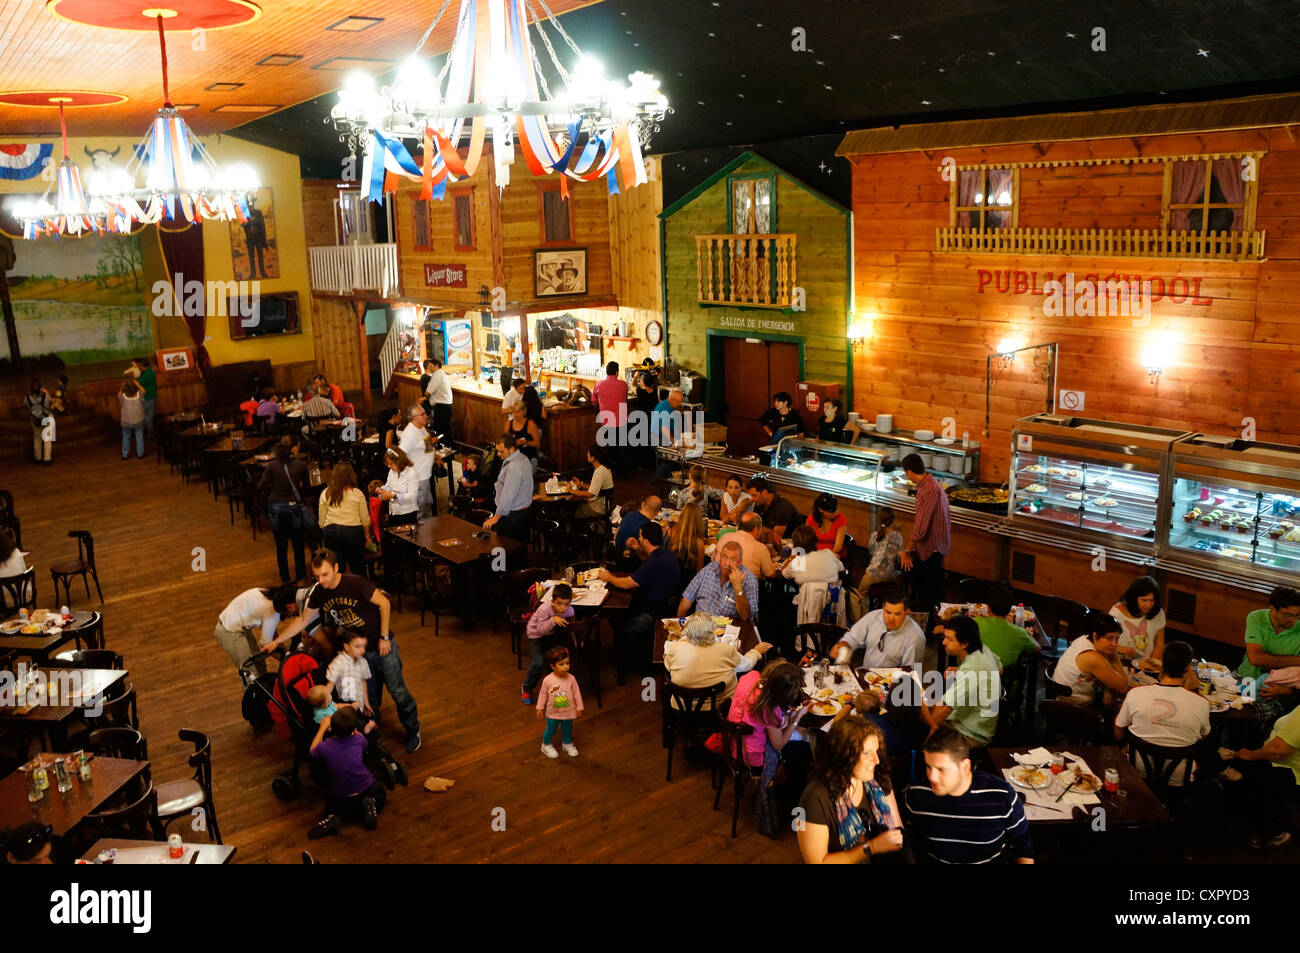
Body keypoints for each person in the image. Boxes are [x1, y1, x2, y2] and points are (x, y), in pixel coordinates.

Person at [268, 549, 421, 753]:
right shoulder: (320, 592)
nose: (321, 581)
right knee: (371, 696)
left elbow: (384, 603)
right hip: (359, 654)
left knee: (398, 691)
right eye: (317, 576)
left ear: (336, 568)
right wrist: (276, 641)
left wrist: (385, 637)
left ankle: (413, 730)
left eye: (325, 574)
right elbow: (303, 620)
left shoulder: (354, 583)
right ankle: (373, 734)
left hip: (382, 647)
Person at [902, 727, 1034, 864]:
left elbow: (1023, 849)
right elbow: (910, 841)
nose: (932, 777)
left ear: (964, 766)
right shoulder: (917, 793)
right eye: (929, 767)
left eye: (941, 769)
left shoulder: (1002, 796)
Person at [797, 716, 906, 864]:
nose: (877, 760)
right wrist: (871, 847)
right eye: (866, 753)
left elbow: (897, 829)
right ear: (843, 756)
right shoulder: (814, 798)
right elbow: (817, 861)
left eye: (876, 751)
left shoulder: (879, 778)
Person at [1114, 640, 1210, 787]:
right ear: (1187, 668)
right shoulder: (1202, 703)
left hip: (1137, 771)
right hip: (1179, 779)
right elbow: (1202, 736)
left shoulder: (1136, 694)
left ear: (1162, 664)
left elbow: (1118, 731)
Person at [728, 662, 814, 813]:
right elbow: (778, 744)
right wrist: (796, 718)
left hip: (734, 743)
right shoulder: (769, 709)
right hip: (752, 759)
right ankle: (793, 801)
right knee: (803, 750)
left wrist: (787, 714)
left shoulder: (751, 677)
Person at [598, 522, 680, 673]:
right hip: (664, 605)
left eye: (640, 537)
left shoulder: (656, 562)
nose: (639, 539)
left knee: (624, 627)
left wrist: (608, 577)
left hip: (656, 614)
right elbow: (647, 566)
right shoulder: (663, 553)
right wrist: (638, 548)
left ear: (647, 541)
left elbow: (626, 583)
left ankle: (642, 666)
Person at [307, 706, 387, 839]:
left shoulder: (325, 746)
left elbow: (312, 751)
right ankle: (371, 806)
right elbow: (365, 745)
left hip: (342, 795)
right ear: (354, 729)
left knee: (331, 806)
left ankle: (333, 817)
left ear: (332, 728)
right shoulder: (359, 739)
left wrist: (322, 727)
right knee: (381, 794)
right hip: (366, 788)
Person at [921, 615, 1001, 747]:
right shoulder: (983, 649)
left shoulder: (971, 671)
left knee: (916, 720)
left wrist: (925, 734)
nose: (943, 642)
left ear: (964, 644)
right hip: (978, 722)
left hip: (970, 734)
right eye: (945, 637)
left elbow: (944, 710)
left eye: (949, 639)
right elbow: (1000, 669)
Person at [1231, 703, 1300, 849]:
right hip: (1287, 767)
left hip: (1289, 771)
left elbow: (1277, 750)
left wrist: (1250, 755)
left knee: (1241, 773)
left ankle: (1271, 831)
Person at [664, 612, 770, 703]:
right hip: (720, 709)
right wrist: (756, 651)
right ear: (712, 631)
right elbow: (747, 665)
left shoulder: (676, 647)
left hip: (683, 708)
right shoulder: (726, 650)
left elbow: (668, 666)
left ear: (687, 632)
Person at [898, 453, 950, 616]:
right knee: (927, 588)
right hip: (933, 546)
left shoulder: (928, 490)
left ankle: (938, 629)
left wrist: (907, 551)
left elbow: (921, 528)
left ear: (909, 472)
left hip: (932, 548)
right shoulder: (930, 484)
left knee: (934, 594)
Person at [831, 584, 925, 668]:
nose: (891, 619)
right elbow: (853, 637)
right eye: (888, 612)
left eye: (897, 614)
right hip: (867, 673)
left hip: (893, 682)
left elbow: (910, 672)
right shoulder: (873, 617)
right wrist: (844, 644)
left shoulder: (916, 637)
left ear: (907, 613)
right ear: (883, 607)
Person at [212, 585, 298, 676]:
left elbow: (273, 636)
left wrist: (285, 656)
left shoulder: (272, 595)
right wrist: (286, 661)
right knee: (251, 673)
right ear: (289, 606)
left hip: (239, 627)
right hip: (229, 631)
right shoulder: (272, 613)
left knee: (260, 666)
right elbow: (267, 645)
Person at [1051, 613, 1130, 707]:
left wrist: (1108, 688)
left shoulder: (1084, 638)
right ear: (1095, 636)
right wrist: (1115, 653)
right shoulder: (1093, 658)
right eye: (1110, 638)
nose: (1115, 644)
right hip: (1071, 707)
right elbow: (1123, 687)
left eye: (1117, 638)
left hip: (1060, 696)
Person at [259, 441, 310, 584]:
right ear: (292, 450)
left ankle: (285, 578)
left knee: (281, 546)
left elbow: (261, 486)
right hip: (293, 506)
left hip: (275, 506)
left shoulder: (271, 466)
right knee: (298, 543)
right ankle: (300, 575)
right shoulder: (301, 465)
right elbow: (306, 487)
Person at [678, 539, 758, 621]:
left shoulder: (749, 579)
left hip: (728, 630)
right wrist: (679, 625)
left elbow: (746, 617)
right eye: (724, 557)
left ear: (740, 562)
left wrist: (738, 588)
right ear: (720, 556)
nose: (727, 563)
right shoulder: (709, 569)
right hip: (700, 626)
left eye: (733, 559)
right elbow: (685, 602)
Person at [782, 524, 846, 626]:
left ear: (796, 545)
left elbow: (784, 572)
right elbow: (842, 570)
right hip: (834, 606)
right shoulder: (828, 554)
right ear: (816, 541)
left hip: (809, 610)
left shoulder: (798, 562)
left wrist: (793, 555)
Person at [522, 583, 574, 705]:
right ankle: (527, 688)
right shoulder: (545, 609)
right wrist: (553, 620)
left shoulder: (570, 611)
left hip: (551, 633)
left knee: (561, 656)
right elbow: (540, 630)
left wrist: (576, 642)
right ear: (552, 601)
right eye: (559, 603)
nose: (563, 608)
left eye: (566, 604)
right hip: (536, 634)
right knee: (538, 662)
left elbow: (572, 629)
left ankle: (560, 688)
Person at [319, 463, 370, 576]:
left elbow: (322, 521)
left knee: (336, 568)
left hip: (331, 531)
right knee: (357, 567)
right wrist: (367, 536)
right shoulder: (357, 494)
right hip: (353, 532)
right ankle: (360, 591)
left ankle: (339, 592)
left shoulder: (326, 493)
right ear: (352, 476)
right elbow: (365, 519)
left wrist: (326, 528)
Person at [483, 432, 533, 542]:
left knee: (508, 550)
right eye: (497, 451)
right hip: (523, 513)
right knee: (520, 549)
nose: (498, 454)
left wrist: (496, 517)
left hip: (513, 517)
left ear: (511, 449)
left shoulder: (514, 467)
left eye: (501, 451)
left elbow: (508, 495)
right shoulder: (523, 458)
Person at [853, 508, 903, 620]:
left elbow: (871, 552)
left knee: (860, 593)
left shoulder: (875, 536)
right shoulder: (897, 537)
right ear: (893, 521)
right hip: (888, 575)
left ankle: (864, 617)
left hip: (872, 574)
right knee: (899, 575)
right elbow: (898, 560)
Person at [975, 585, 1040, 670]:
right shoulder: (1019, 633)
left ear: (988, 608)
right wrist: (1028, 634)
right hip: (1006, 681)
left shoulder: (976, 622)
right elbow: (1038, 650)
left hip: (975, 677)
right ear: (1010, 610)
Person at [536, 646, 584, 758]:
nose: (566, 667)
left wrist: (579, 707)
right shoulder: (548, 680)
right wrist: (539, 708)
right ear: (553, 666)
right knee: (550, 729)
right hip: (553, 713)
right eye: (561, 664)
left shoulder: (571, 678)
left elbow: (577, 693)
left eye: (567, 663)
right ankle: (546, 744)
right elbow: (543, 694)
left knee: (567, 729)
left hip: (568, 711)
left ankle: (567, 744)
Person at [1110, 575, 1167, 662]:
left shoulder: (1158, 613)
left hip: (1145, 663)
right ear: (1134, 598)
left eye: (1152, 600)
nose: (1149, 605)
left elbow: (1159, 644)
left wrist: (1151, 664)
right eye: (1144, 600)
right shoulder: (1116, 613)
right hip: (1120, 661)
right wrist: (1124, 650)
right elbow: (1104, 643)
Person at [326, 629, 375, 725]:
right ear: (346, 646)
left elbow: (363, 682)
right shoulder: (338, 663)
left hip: (359, 702)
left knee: (362, 724)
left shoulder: (363, 661)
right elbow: (330, 685)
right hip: (345, 706)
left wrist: (366, 701)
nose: (362, 650)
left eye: (364, 646)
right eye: (358, 647)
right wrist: (325, 704)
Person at [398, 403, 437, 516]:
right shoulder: (410, 434)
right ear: (414, 417)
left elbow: (425, 445)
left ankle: (429, 530)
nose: (426, 416)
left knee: (427, 505)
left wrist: (436, 457)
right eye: (422, 414)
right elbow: (401, 454)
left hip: (425, 475)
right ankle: (419, 532)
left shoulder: (421, 429)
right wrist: (410, 468)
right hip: (418, 477)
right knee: (420, 508)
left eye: (425, 413)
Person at [746, 475, 798, 543]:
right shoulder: (759, 503)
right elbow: (753, 525)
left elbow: (776, 536)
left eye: (754, 495)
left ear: (764, 492)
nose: (752, 499)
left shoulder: (783, 506)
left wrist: (757, 529)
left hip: (790, 545)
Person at [378, 447, 421, 528]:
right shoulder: (391, 472)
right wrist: (381, 490)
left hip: (407, 514)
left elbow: (412, 497)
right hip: (393, 513)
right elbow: (388, 486)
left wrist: (393, 496)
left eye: (391, 463)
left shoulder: (411, 473)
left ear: (399, 461)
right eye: (388, 464)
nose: (389, 466)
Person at [569, 444, 614, 518]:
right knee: (576, 505)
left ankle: (584, 529)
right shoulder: (603, 468)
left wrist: (571, 491)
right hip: (601, 505)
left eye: (588, 454)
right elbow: (595, 488)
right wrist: (580, 484)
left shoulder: (600, 471)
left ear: (593, 457)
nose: (587, 455)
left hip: (598, 508)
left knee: (572, 512)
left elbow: (590, 494)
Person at [666, 502, 708, 576]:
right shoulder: (699, 544)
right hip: (687, 583)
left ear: (682, 515)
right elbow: (699, 573)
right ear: (699, 520)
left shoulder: (671, 531)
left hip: (669, 577)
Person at [806, 492, 847, 557]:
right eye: (832, 511)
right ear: (820, 509)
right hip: (815, 554)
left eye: (836, 509)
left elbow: (838, 547)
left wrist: (826, 557)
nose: (836, 513)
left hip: (833, 554)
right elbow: (808, 542)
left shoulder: (841, 519)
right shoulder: (811, 519)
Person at [423, 357, 453, 446]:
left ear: (436, 365)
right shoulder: (442, 374)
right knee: (445, 428)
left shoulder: (437, 376)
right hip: (446, 406)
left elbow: (427, 393)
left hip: (442, 406)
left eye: (431, 366)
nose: (430, 368)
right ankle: (448, 446)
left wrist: (423, 399)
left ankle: (446, 447)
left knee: (441, 429)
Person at [594, 360, 627, 436]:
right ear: (616, 372)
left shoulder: (598, 385)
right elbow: (625, 399)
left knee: (609, 447)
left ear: (606, 372)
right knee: (621, 446)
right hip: (621, 422)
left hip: (606, 423)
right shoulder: (623, 384)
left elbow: (593, 401)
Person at [25, 379, 52, 465]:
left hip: (35, 420)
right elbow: (49, 403)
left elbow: (27, 406)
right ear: (41, 387)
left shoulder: (27, 398)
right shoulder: (45, 396)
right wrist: (46, 392)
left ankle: (38, 458)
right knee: (47, 440)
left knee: (37, 439)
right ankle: (47, 459)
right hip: (46, 419)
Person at [118, 379, 146, 460]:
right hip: (139, 421)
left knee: (126, 437)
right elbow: (143, 390)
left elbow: (119, 393)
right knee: (139, 436)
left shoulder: (122, 397)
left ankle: (125, 455)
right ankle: (140, 454)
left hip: (126, 422)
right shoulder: (140, 394)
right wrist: (137, 384)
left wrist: (123, 385)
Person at [508, 401, 542, 468]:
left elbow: (537, 444)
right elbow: (505, 440)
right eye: (513, 412)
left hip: (527, 454)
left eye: (518, 412)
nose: (515, 415)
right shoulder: (509, 424)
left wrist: (525, 442)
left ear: (523, 412)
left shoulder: (530, 424)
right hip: (513, 454)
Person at [133, 358, 157, 435]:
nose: (139, 368)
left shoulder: (148, 374)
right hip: (149, 397)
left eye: (139, 366)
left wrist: (134, 381)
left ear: (143, 366)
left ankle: (150, 433)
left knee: (147, 417)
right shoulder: (148, 372)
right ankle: (149, 432)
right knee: (147, 416)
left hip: (149, 397)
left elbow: (137, 383)